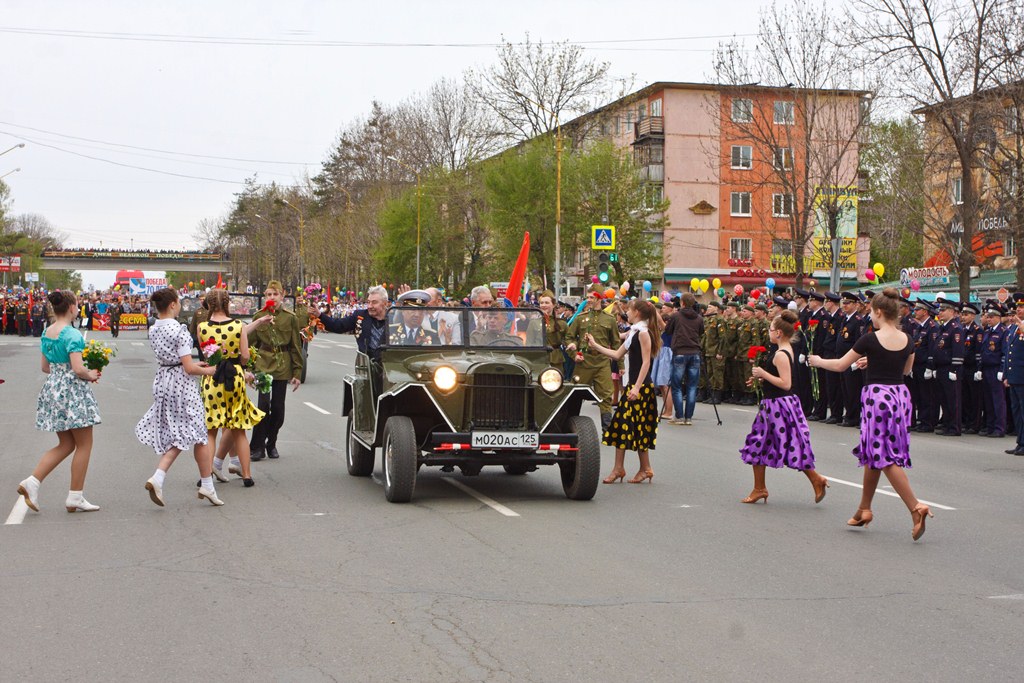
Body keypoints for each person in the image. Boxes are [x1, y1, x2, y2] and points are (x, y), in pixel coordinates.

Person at [809, 288, 934, 541]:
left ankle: (915, 507)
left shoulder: (870, 339)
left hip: (877, 398)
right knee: (873, 452)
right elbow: (906, 369)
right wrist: (874, 362)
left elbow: (842, 365)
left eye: (871, 312)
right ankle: (863, 509)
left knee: (884, 456)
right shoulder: (907, 338)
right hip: (898, 396)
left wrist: (819, 361)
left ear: (878, 312)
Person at [135, 288, 223, 507]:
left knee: (182, 432)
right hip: (181, 384)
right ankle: (167, 478)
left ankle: (203, 484)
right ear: (173, 305)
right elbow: (187, 367)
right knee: (197, 434)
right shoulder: (179, 330)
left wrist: (195, 365)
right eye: (179, 302)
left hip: (163, 379)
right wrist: (208, 371)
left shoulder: (154, 328)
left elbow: (177, 360)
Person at [17, 290, 103, 514]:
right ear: (72, 308)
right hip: (72, 391)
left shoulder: (47, 332)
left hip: (53, 388)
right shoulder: (72, 335)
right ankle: (75, 496)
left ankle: (33, 482)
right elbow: (77, 368)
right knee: (84, 444)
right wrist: (91, 374)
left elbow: (45, 367)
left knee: (66, 444)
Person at [737, 310, 829, 505]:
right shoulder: (786, 350)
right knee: (773, 444)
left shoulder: (781, 354)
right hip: (777, 404)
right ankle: (761, 488)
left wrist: (763, 373)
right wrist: (761, 379)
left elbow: (785, 383)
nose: (769, 332)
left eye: (771, 329)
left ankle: (813, 479)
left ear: (778, 332)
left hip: (778, 405)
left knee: (766, 444)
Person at [197, 289, 267, 487]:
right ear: (228, 304)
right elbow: (245, 355)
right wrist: (239, 362)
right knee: (239, 429)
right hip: (234, 377)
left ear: (209, 305)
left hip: (213, 377)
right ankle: (246, 475)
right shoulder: (238, 326)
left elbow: (205, 354)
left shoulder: (202, 327)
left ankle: (206, 475)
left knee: (211, 430)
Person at [585, 299, 660, 484]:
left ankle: (624, 468)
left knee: (623, 426)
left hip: (640, 388)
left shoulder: (643, 333)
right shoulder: (634, 332)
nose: (628, 313)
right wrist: (595, 345)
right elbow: (616, 354)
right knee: (632, 427)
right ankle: (643, 468)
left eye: (631, 310)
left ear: (638, 313)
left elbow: (646, 363)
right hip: (633, 386)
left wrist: (636, 387)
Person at [248, 280, 305, 461]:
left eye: (275, 294)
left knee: (278, 409)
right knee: (263, 406)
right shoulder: (259, 316)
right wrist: (248, 369)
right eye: (268, 294)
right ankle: (257, 447)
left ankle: (271, 443)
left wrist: (297, 373)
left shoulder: (290, 317)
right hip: (263, 364)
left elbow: (296, 346)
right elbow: (251, 345)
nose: (272, 297)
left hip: (282, 365)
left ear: (282, 296)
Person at [565, 286, 621, 430]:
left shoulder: (609, 319)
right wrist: (574, 354)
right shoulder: (580, 318)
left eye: (591, 297)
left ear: (599, 298)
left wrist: (620, 366)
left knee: (606, 395)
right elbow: (569, 338)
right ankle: (570, 425)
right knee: (575, 394)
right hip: (584, 361)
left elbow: (616, 343)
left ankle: (607, 429)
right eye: (587, 297)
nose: (588, 300)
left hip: (602, 361)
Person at [310, 285, 390, 360]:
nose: (370, 306)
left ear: (385, 303)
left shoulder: (394, 319)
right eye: (368, 302)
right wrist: (320, 315)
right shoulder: (360, 316)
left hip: (391, 366)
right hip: (366, 367)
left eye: (374, 302)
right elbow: (338, 325)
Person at [664, 292, 703, 425]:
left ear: (682, 303)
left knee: (676, 386)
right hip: (694, 352)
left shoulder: (676, 316)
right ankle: (688, 417)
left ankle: (679, 416)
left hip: (680, 352)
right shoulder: (698, 318)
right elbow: (701, 332)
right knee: (692, 386)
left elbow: (668, 331)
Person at [1002, 293, 1024, 455]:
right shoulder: (1014, 327)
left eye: (1022, 307)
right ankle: (1020, 442)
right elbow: (1009, 353)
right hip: (1015, 376)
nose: (1019, 310)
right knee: (1017, 411)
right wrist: (1006, 375)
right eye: (1018, 307)